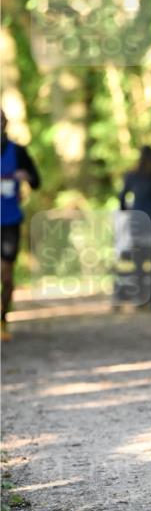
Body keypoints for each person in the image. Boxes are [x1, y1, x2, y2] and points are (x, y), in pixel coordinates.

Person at [1, 109, 41, 341]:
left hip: (9, 221)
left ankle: (2, 319)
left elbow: (37, 181)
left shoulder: (18, 151)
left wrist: (25, 176)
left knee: (5, 275)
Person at [119, 146, 151, 304]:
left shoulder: (132, 175)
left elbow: (122, 197)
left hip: (138, 222)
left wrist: (129, 211)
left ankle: (141, 294)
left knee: (139, 259)